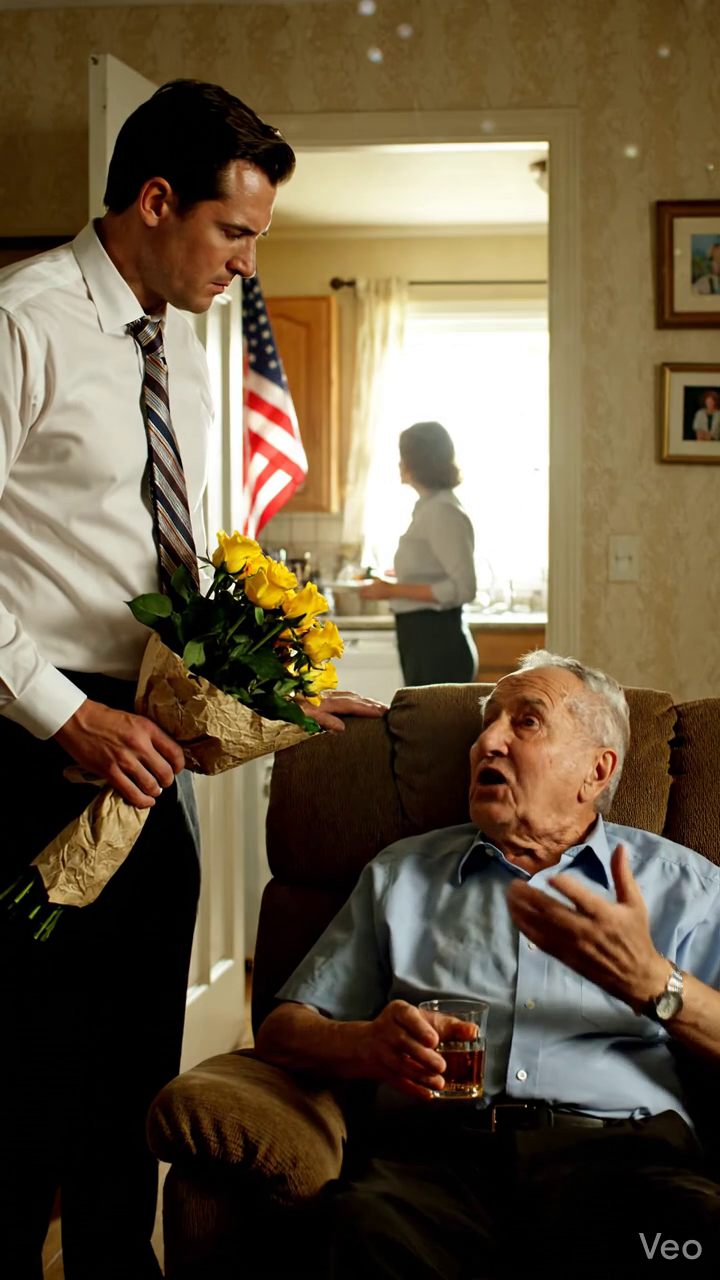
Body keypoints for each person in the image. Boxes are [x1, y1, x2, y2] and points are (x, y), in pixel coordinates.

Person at [0, 79, 383, 1280]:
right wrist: (69, 716)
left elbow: (197, 575)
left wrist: (278, 692)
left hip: (152, 752)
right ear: (157, 202)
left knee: (133, 1081)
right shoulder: (22, 320)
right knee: (19, 1086)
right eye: (235, 231)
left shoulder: (191, 352)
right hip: (27, 749)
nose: (248, 262)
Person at [256, 650, 720, 1278]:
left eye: (525, 722)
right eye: (487, 724)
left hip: (627, 1164)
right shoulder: (402, 875)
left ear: (596, 770)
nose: (486, 742)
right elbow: (282, 1030)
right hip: (438, 1165)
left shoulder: (685, 886)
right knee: (357, 1236)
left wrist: (655, 983)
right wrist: (366, 1044)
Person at [357, 421, 478, 685]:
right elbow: (435, 571)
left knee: (431, 724)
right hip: (424, 641)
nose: (400, 465)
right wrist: (398, 579)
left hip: (437, 644)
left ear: (417, 463)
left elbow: (463, 587)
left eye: (404, 458)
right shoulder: (430, 507)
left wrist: (392, 590)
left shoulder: (442, 512)